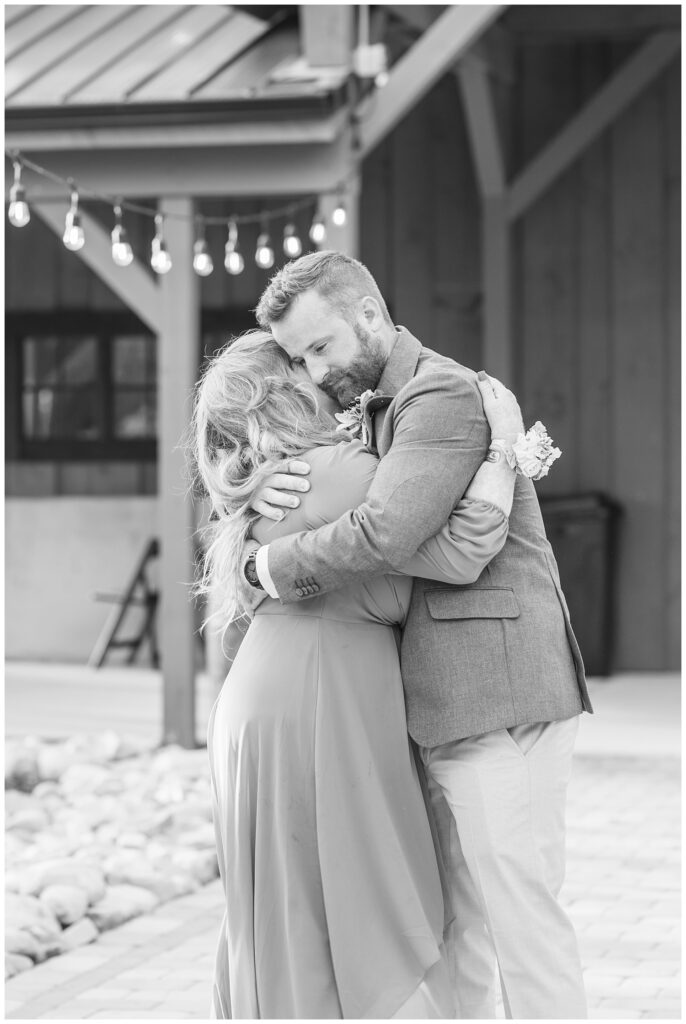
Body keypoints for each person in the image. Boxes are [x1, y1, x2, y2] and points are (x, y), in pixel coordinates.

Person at [244, 251, 592, 1020]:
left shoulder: (438, 392)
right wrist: (265, 487)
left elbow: (388, 529)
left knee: (519, 916)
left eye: (320, 346)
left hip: (499, 690)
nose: (312, 370)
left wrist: (264, 565)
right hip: (441, 703)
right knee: (459, 923)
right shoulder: (372, 403)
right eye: (299, 357)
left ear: (368, 314)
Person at [192, 330, 526, 1019]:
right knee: (360, 889)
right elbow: (463, 549)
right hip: (322, 693)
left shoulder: (271, 481)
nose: (327, 373)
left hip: (270, 694)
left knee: (292, 903)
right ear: (288, 391)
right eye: (306, 363)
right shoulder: (341, 470)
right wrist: (503, 449)